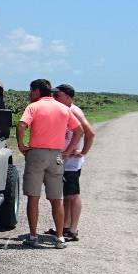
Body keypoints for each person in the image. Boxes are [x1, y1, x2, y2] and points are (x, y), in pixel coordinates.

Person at [16, 78, 81, 249]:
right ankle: (59, 238)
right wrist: (67, 151)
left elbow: (21, 125)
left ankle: (33, 236)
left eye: (31, 90)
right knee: (56, 199)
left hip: (37, 154)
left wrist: (21, 145)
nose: (30, 94)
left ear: (38, 91)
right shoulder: (63, 108)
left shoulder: (34, 107)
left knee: (33, 197)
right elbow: (79, 130)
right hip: (56, 155)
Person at [52, 83, 95, 242]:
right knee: (67, 194)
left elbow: (90, 133)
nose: (54, 98)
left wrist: (82, 152)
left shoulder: (74, 111)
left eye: (58, 95)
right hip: (65, 159)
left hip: (71, 162)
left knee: (73, 195)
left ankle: (73, 229)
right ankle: (65, 226)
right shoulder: (64, 110)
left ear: (68, 97)